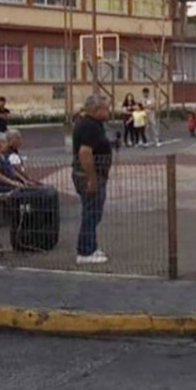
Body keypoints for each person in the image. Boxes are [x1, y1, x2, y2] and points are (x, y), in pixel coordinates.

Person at [72, 94, 113, 265]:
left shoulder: (94, 125)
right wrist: (91, 178)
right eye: (106, 108)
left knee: (93, 212)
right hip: (88, 175)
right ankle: (85, 250)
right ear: (97, 110)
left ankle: (91, 246)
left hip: (95, 174)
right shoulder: (89, 126)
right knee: (91, 213)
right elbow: (85, 152)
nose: (109, 111)